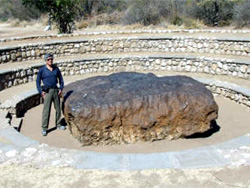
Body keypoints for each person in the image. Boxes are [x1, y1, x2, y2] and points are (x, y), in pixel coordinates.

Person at [36, 53, 65, 136]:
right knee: (46, 110)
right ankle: (44, 128)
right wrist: (41, 92)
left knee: (58, 108)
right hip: (47, 92)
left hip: (55, 90)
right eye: (48, 59)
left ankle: (58, 124)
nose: (50, 60)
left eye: (51, 59)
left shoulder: (56, 69)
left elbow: (61, 79)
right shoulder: (42, 70)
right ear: (46, 60)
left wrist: (61, 88)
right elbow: (38, 82)